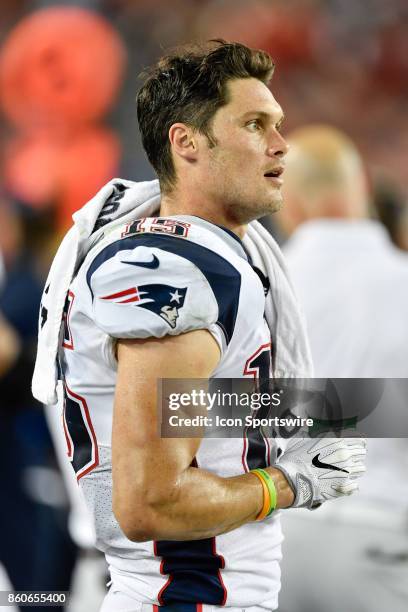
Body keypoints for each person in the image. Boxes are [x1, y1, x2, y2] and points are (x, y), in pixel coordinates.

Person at [33, 43, 367, 612]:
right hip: (180, 593)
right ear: (186, 142)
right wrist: (285, 483)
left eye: (278, 124)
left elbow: (185, 406)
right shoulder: (178, 268)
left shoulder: (199, 252)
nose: (281, 144)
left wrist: (332, 410)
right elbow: (149, 504)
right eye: (254, 124)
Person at [275, 124, 408, 612]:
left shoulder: (255, 289)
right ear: (363, 189)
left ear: (289, 205)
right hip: (382, 539)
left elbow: (206, 414)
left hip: (276, 538)